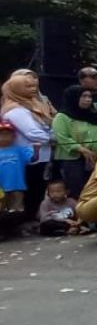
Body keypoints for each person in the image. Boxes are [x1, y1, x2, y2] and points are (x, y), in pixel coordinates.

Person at [3, 69, 55, 219]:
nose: (33, 90)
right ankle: (25, 219)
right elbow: (33, 133)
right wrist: (52, 138)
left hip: (42, 155)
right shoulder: (15, 110)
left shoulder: (33, 105)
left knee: (38, 188)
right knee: (30, 189)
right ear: (16, 88)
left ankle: (33, 217)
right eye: (28, 87)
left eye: (34, 86)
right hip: (28, 156)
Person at [51, 86, 97, 198]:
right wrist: (82, 149)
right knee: (78, 189)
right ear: (74, 98)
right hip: (73, 159)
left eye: (89, 97)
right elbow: (62, 137)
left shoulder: (94, 115)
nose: (88, 99)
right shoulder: (62, 117)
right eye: (84, 96)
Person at [0, 120, 34, 216]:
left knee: (17, 209)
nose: (4, 137)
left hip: (17, 185)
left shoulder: (19, 149)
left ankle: (17, 226)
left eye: (7, 134)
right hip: (1, 187)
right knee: (2, 209)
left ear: (13, 136)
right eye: (1, 134)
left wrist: (36, 149)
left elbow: (32, 158)